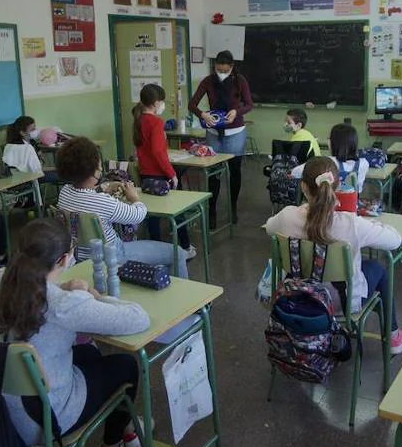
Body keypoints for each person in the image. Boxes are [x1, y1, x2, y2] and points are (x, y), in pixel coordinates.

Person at [0, 219, 151, 447]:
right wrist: (95, 297)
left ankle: (128, 428)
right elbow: (139, 319)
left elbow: (40, 298)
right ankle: (111, 446)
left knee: (88, 352)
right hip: (45, 421)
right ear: (64, 259)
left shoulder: (0, 281)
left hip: (1, 413)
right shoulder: (63, 305)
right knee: (125, 365)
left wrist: (61, 287)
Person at [265, 157, 402, 354]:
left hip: (297, 296)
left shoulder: (287, 216)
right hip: (342, 301)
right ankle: (393, 337)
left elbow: (269, 227)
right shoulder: (351, 223)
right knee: (378, 269)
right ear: (337, 187)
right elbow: (394, 240)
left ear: (303, 187)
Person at [54, 137, 188, 278]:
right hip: (113, 255)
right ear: (95, 170)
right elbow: (138, 215)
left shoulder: (64, 192)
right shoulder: (104, 202)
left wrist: (102, 188)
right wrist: (134, 198)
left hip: (78, 257)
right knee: (177, 253)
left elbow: (86, 196)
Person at [189, 50, 253, 225]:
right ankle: (212, 211)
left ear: (231, 67)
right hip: (214, 133)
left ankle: (233, 208)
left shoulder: (240, 81)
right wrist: (203, 114)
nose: (222, 73)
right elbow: (192, 104)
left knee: (234, 171)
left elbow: (249, 105)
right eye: (219, 69)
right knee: (213, 174)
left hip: (235, 132)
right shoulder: (208, 81)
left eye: (225, 70)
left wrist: (236, 111)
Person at [133, 83, 195, 259]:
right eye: (161, 101)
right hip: (160, 175)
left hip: (145, 174)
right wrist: (172, 174)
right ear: (154, 103)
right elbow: (159, 153)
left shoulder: (139, 120)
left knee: (152, 215)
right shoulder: (156, 123)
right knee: (179, 210)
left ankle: (156, 250)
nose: (163, 105)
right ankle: (185, 247)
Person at [291, 122, 369, 192]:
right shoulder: (364, 163)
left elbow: (295, 172)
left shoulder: (327, 161)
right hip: (352, 206)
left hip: (328, 205)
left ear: (333, 142)